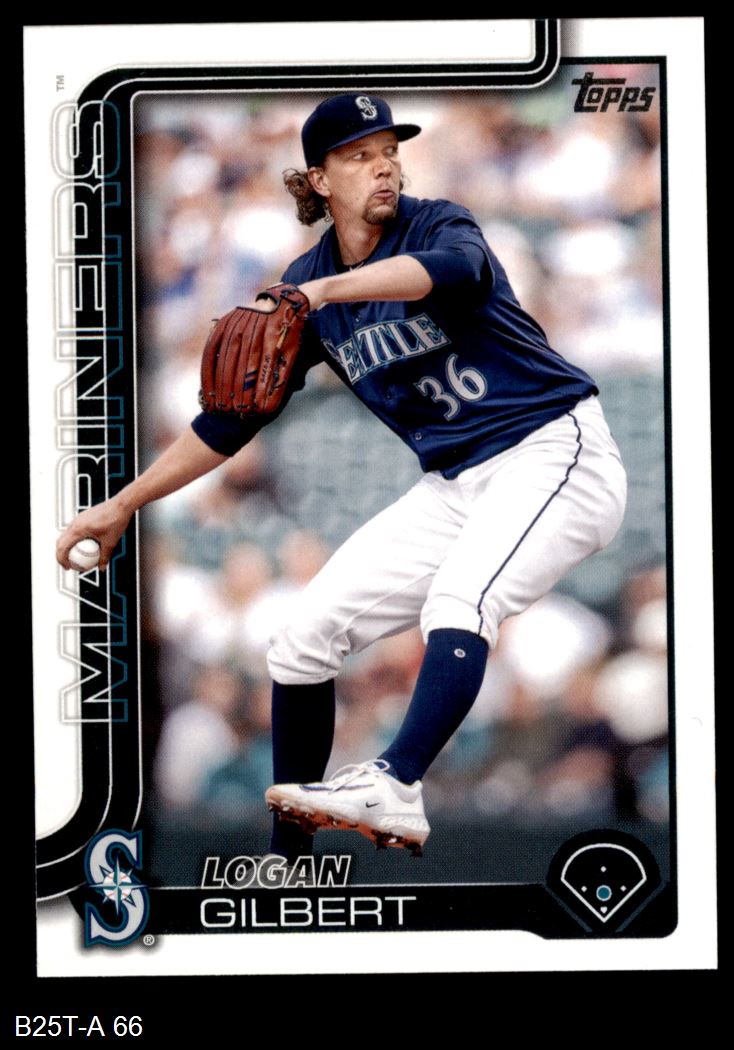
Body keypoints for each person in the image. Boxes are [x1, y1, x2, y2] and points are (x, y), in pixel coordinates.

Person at [57, 93, 627, 861]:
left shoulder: (438, 225)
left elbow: (451, 273)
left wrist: (320, 293)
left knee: (461, 599)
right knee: (301, 639)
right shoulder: (308, 282)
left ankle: (397, 784)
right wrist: (123, 503)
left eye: (389, 150)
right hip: (456, 483)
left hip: (553, 452)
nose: (383, 166)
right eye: (359, 156)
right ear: (319, 180)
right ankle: (290, 862)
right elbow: (229, 423)